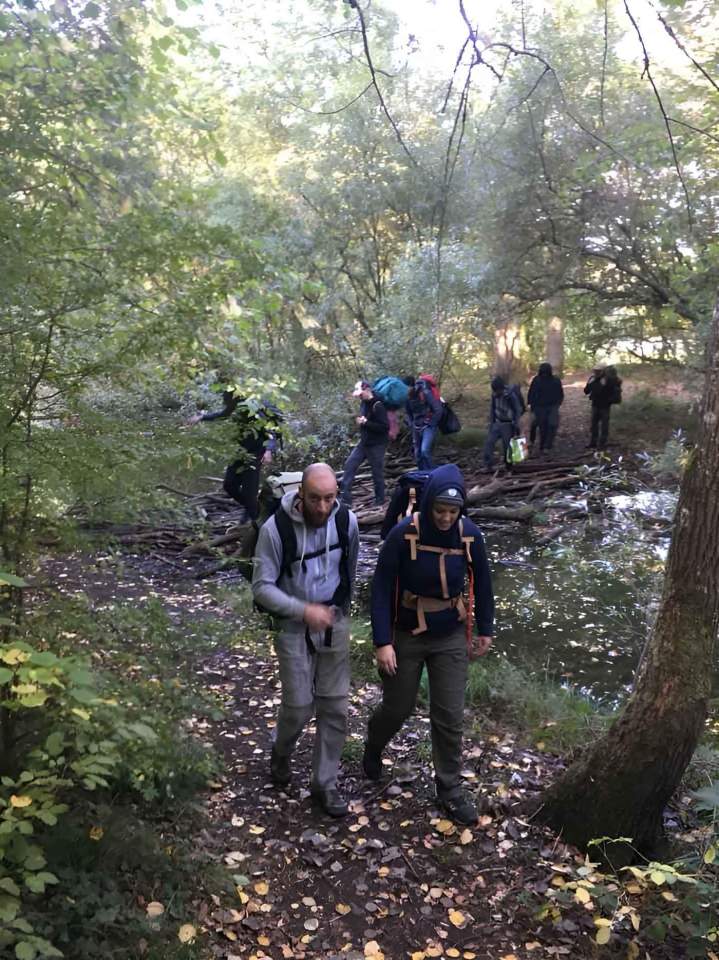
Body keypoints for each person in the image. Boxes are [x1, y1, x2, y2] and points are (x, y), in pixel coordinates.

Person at [362, 463, 494, 825]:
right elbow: (380, 588)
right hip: (406, 632)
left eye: (453, 512)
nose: (446, 518)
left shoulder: (470, 536)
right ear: (428, 506)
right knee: (398, 707)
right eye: (440, 511)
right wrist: (382, 642)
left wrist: (485, 628)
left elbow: (482, 582)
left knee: (449, 715)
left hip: (450, 633)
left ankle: (449, 789)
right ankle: (373, 746)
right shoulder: (404, 535)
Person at [252, 463, 360, 817]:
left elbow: (351, 569)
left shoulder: (347, 522)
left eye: (330, 499)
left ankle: (324, 785)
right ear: (301, 496)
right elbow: (262, 587)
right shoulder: (275, 530)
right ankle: (280, 753)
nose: (323, 507)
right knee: (299, 706)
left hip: (333, 622)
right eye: (315, 499)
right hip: (291, 626)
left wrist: (337, 610)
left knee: (335, 707)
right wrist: (302, 610)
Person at [188, 387, 281, 521]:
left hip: (256, 451)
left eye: (228, 401)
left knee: (249, 492)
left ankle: (253, 520)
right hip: (240, 450)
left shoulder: (252, 407)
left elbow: (270, 429)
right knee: (229, 485)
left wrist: (269, 450)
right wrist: (202, 417)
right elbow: (223, 414)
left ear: (235, 398)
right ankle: (256, 509)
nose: (226, 404)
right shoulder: (235, 406)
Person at [340, 380, 389, 507]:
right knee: (350, 465)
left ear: (367, 390)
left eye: (361, 394)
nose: (359, 396)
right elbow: (364, 419)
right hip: (364, 443)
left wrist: (366, 423)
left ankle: (380, 500)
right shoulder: (363, 403)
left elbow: (384, 427)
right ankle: (345, 499)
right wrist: (362, 422)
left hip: (377, 445)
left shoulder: (378, 405)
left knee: (376, 472)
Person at [482, 376, 523, 469]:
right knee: (489, 442)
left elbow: (517, 409)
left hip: (508, 424)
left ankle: (509, 465)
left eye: (497, 390)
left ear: (501, 388)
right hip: (497, 423)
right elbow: (492, 408)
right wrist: (491, 422)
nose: (496, 392)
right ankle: (488, 464)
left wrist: (516, 423)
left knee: (507, 446)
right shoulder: (494, 395)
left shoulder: (510, 395)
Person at [405, 375, 443, 470]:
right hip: (416, 426)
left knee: (425, 451)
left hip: (428, 426)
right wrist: (411, 424)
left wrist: (430, 422)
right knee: (417, 454)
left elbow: (438, 409)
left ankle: (433, 472)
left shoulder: (425, 393)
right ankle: (422, 474)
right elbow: (408, 413)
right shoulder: (407, 397)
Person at [527, 362, 564, 454]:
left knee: (552, 425)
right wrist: (531, 405)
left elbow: (560, 393)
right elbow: (531, 393)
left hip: (552, 406)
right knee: (542, 427)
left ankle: (548, 445)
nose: (544, 374)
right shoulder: (536, 380)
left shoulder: (555, 380)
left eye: (546, 372)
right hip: (539, 407)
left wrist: (558, 403)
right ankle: (542, 446)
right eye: (543, 372)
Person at [584, 366, 622, 449]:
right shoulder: (593, 379)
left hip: (605, 406)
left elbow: (604, 390)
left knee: (604, 426)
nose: (596, 373)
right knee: (594, 425)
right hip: (595, 405)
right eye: (595, 371)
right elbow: (586, 391)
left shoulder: (608, 380)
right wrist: (590, 383)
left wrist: (597, 384)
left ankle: (602, 444)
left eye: (598, 371)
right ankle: (593, 442)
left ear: (602, 371)